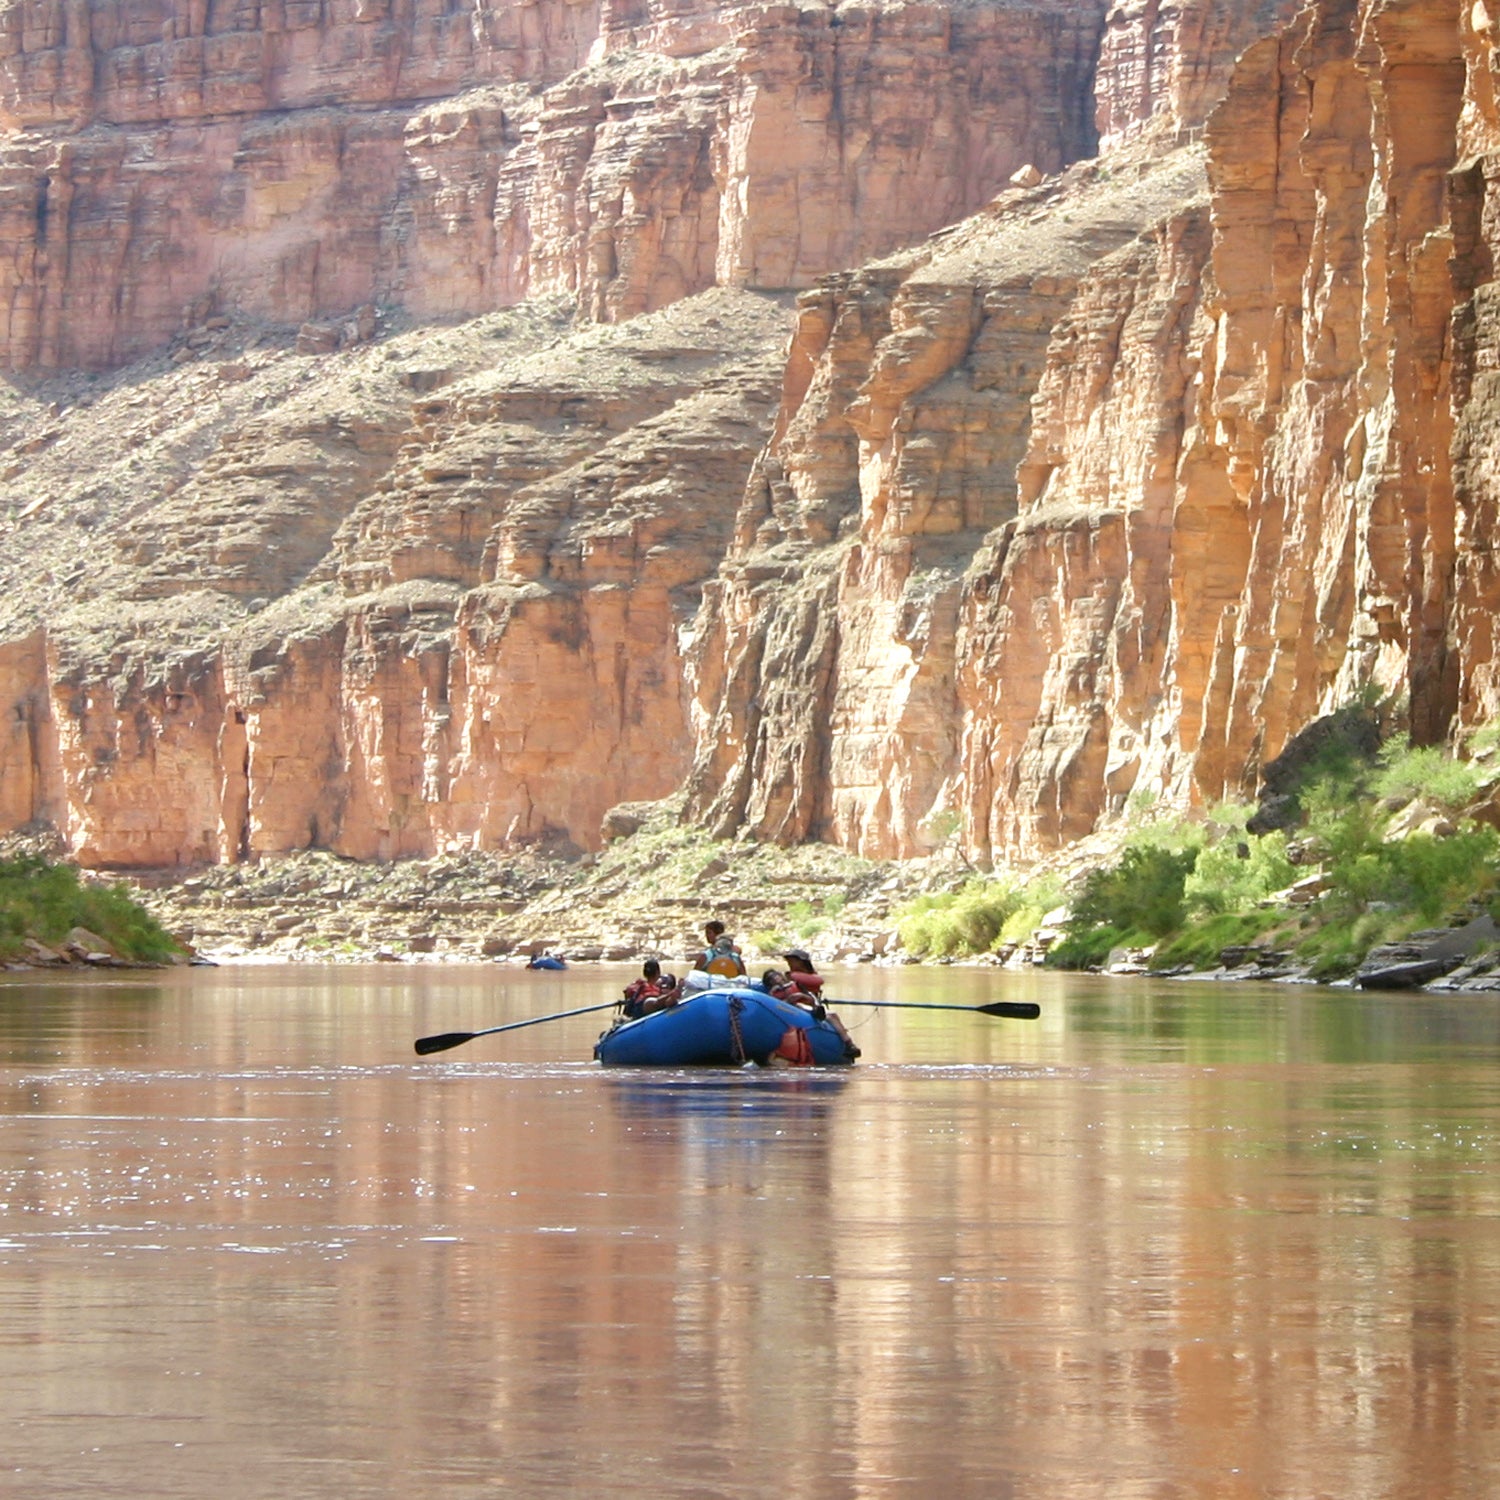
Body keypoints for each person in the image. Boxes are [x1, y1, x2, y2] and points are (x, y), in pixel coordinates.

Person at [766, 950, 859, 1058]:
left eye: (793, 961)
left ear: (802, 962)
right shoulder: (784, 981)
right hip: (789, 1009)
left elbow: (813, 990)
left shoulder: (807, 977)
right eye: (789, 961)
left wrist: (801, 996)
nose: (790, 964)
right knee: (800, 1006)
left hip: (809, 1007)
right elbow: (773, 1001)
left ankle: (849, 1044)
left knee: (832, 1015)